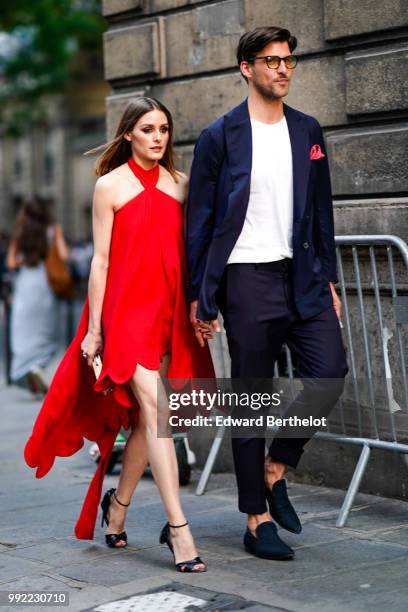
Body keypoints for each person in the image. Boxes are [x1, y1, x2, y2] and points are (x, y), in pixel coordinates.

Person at [24, 97, 214, 573]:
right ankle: (179, 531)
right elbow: (102, 262)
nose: (158, 137)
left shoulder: (182, 186)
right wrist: (93, 331)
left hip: (169, 312)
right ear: (128, 133)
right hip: (126, 315)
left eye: (164, 129)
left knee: (146, 428)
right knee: (157, 413)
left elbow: (194, 252)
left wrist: (203, 307)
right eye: (148, 129)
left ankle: (118, 508)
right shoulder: (108, 186)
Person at [186, 26, 348, 561]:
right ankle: (256, 519)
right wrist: (201, 295)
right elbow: (202, 222)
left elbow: (320, 212)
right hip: (246, 279)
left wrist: (327, 278)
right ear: (246, 68)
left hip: (301, 275)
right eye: (272, 60)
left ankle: (276, 466)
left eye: (288, 61)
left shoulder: (307, 130)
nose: (283, 69)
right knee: (252, 399)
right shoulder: (220, 135)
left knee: (327, 374)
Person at [7, 197, 69, 395]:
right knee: (45, 331)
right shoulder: (53, 230)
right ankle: (38, 367)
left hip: (25, 284)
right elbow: (65, 255)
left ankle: (29, 369)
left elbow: (11, 263)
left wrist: (24, 259)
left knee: (24, 331)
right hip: (45, 284)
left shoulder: (20, 233)